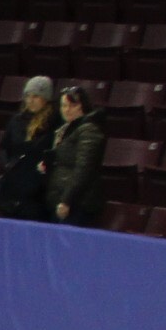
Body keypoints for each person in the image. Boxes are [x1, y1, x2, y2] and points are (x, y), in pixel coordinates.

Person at [0, 76, 60, 220]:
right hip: (12, 184)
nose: (30, 100)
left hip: (36, 190)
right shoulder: (16, 120)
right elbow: (4, 147)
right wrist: (6, 165)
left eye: (36, 96)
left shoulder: (53, 123)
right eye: (28, 96)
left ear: (46, 99)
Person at [44, 84, 105, 225]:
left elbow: (84, 169)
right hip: (61, 199)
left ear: (82, 105)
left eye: (72, 105)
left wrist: (67, 200)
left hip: (77, 204)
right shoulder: (66, 129)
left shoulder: (89, 130)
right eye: (63, 105)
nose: (67, 110)